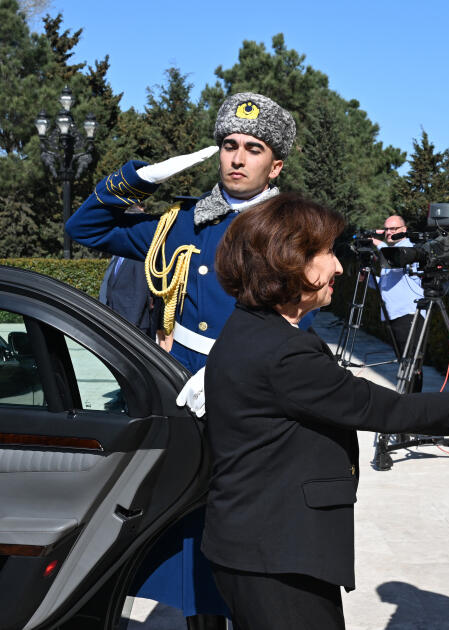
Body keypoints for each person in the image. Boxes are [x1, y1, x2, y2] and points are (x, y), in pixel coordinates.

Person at [203, 193, 449, 629]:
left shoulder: (254, 327)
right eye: (324, 253)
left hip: (262, 547)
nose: (339, 266)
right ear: (287, 260)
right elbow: (381, 407)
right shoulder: (283, 352)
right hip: (276, 556)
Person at [66, 91, 299, 626]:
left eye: (254, 148)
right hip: (182, 392)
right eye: (228, 145)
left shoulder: (292, 231)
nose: (237, 159)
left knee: (244, 534)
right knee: (187, 530)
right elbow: (84, 229)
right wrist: (138, 179)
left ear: (275, 164)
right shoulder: (179, 223)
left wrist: (231, 370)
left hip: (253, 399)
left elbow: (299, 321)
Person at [370, 214, 425, 391]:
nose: (388, 232)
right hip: (393, 314)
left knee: (411, 366)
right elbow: (385, 285)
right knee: (404, 363)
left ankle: (412, 403)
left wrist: (380, 245)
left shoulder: (407, 249)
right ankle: (407, 400)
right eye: (386, 229)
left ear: (404, 230)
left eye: (393, 229)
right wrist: (368, 276)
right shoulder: (389, 254)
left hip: (408, 314)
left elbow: (395, 258)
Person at [99, 255, 156, 339]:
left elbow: (140, 293)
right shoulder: (119, 256)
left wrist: (131, 326)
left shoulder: (138, 257)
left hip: (131, 324)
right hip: (115, 320)